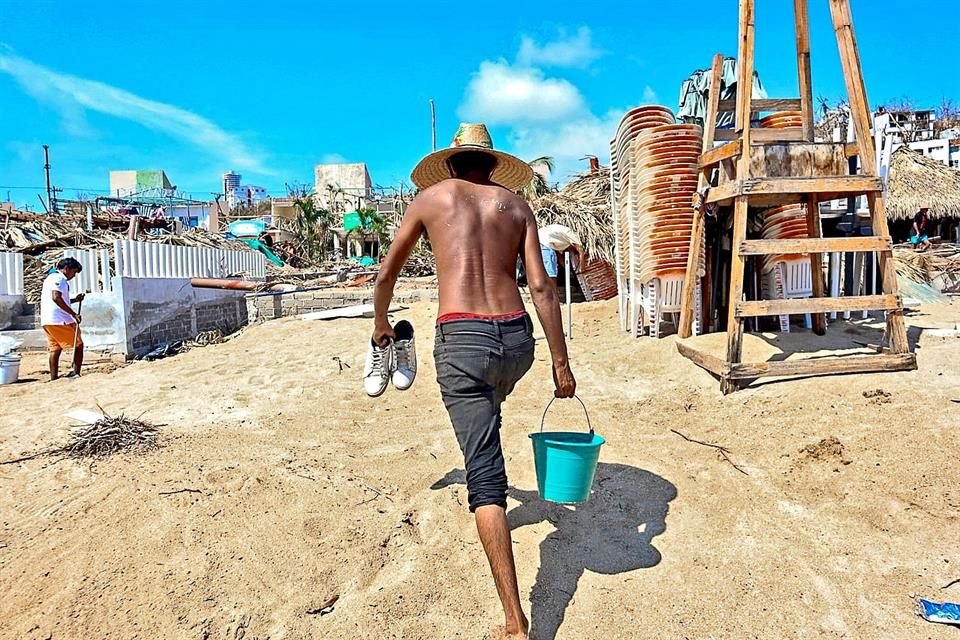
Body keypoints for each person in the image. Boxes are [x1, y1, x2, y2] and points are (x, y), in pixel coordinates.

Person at [371, 123, 576, 639]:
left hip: (461, 338)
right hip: (517, 342)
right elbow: (542, 287)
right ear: (492, 165)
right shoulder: (516, 206)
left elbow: (385, 275)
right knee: (491, 399)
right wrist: (560, 362)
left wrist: (380, 325)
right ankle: (489, 421)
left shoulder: (429, 199)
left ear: (451, 165)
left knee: (484, 476)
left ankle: (513, 622)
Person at [40, 257, 85, 381]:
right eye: (74, 272)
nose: (74, 275)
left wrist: (75, 300)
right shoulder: (59, 278)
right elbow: (56, 298)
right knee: (79, 345)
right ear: (66, 269)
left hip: (48, 320)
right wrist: (73, 314)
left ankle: (53, 378)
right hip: (59, 319)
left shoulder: (50, 278)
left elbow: (59, 299)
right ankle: (76, 373)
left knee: (55, 348)